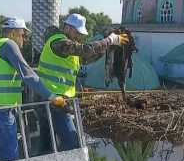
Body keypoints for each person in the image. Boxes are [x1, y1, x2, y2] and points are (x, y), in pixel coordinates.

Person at [0, 17, 65, 161]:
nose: (24, 39)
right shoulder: (9, 45)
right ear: (12, 33)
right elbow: (28, 75)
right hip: (2, 112)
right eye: (23, 35)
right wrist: (51, 96)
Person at [38, 13, 128, 150]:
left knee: (47, 147)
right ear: (68, 28)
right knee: (73, 144)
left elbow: (87, 57)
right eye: (77, 32)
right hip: (54, 101)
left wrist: (107, 47)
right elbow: (85, 50)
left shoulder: (67, 50)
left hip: (52, 99)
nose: (79, 36)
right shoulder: (59, 43)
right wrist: (109, 40)